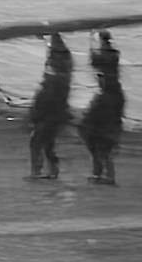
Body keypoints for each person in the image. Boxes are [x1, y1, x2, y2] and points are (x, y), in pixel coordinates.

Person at [27, 35, 74, 180]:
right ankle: (52, 170)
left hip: (47, 115)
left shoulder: (53, 80)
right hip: (55, 115)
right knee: (48, 144)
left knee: (37, 143)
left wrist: (35, 114)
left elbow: (45, 98)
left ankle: (38, 171)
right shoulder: (63, 78)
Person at [79, 72, 125, 185]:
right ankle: (99, 174)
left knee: (103, 153)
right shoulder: (106, 96)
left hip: (104, 129)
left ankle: (108, 176)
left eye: (102, 80)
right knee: (97, 153)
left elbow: (101, 113)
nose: (99, 82)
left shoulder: (108, 97)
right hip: (99, 128)